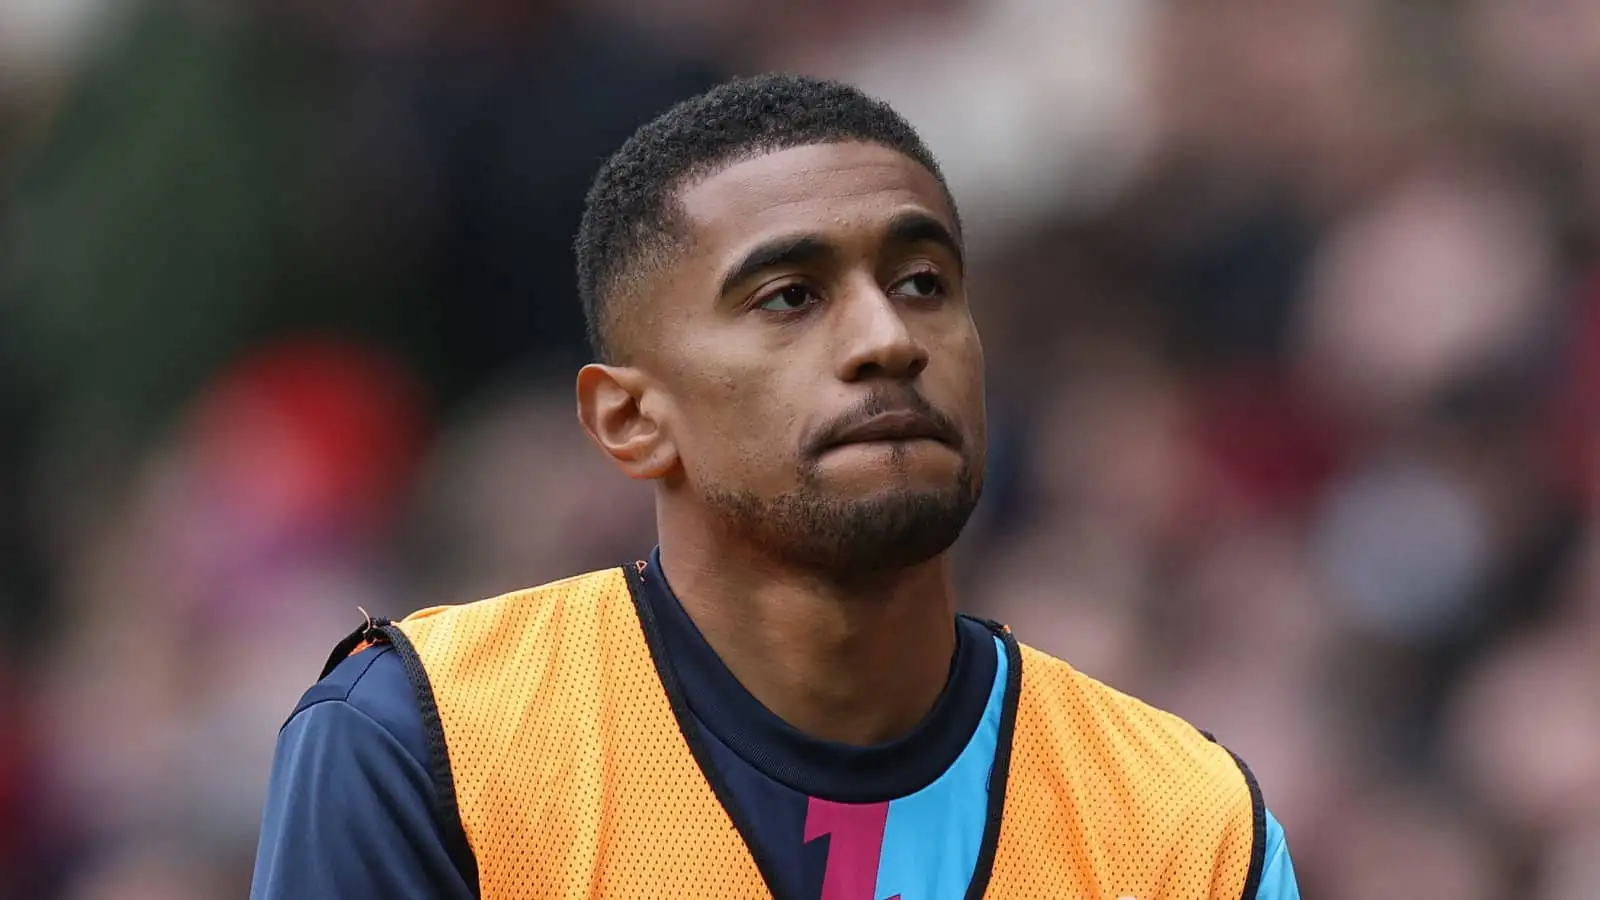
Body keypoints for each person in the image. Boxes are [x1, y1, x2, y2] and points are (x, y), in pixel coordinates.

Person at [250, 73, 1301, 900]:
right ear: (630, 420)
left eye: (923, 283)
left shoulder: (1185, 826)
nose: (888, 338)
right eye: (790, 296)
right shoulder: (427, 745)